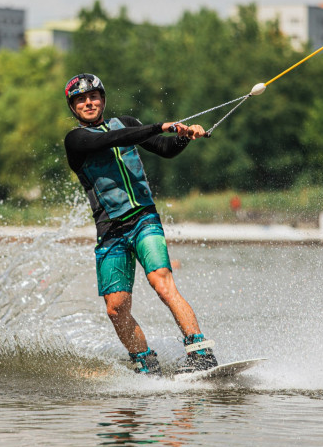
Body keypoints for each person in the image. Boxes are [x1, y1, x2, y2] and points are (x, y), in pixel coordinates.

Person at [63, 73, 218, 375]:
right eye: (81, 99)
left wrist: (183, 136)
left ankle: (200, 352)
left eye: (94, 97)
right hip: (110, 233)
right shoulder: (76, 140)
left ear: (103, 100)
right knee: (116, 308)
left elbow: (165, 148)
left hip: (144, 219)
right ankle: (145, 362)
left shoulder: (128, 123)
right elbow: (112, 140)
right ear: (73, 107)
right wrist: (161, 125)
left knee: (161, 281)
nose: (89, 102)